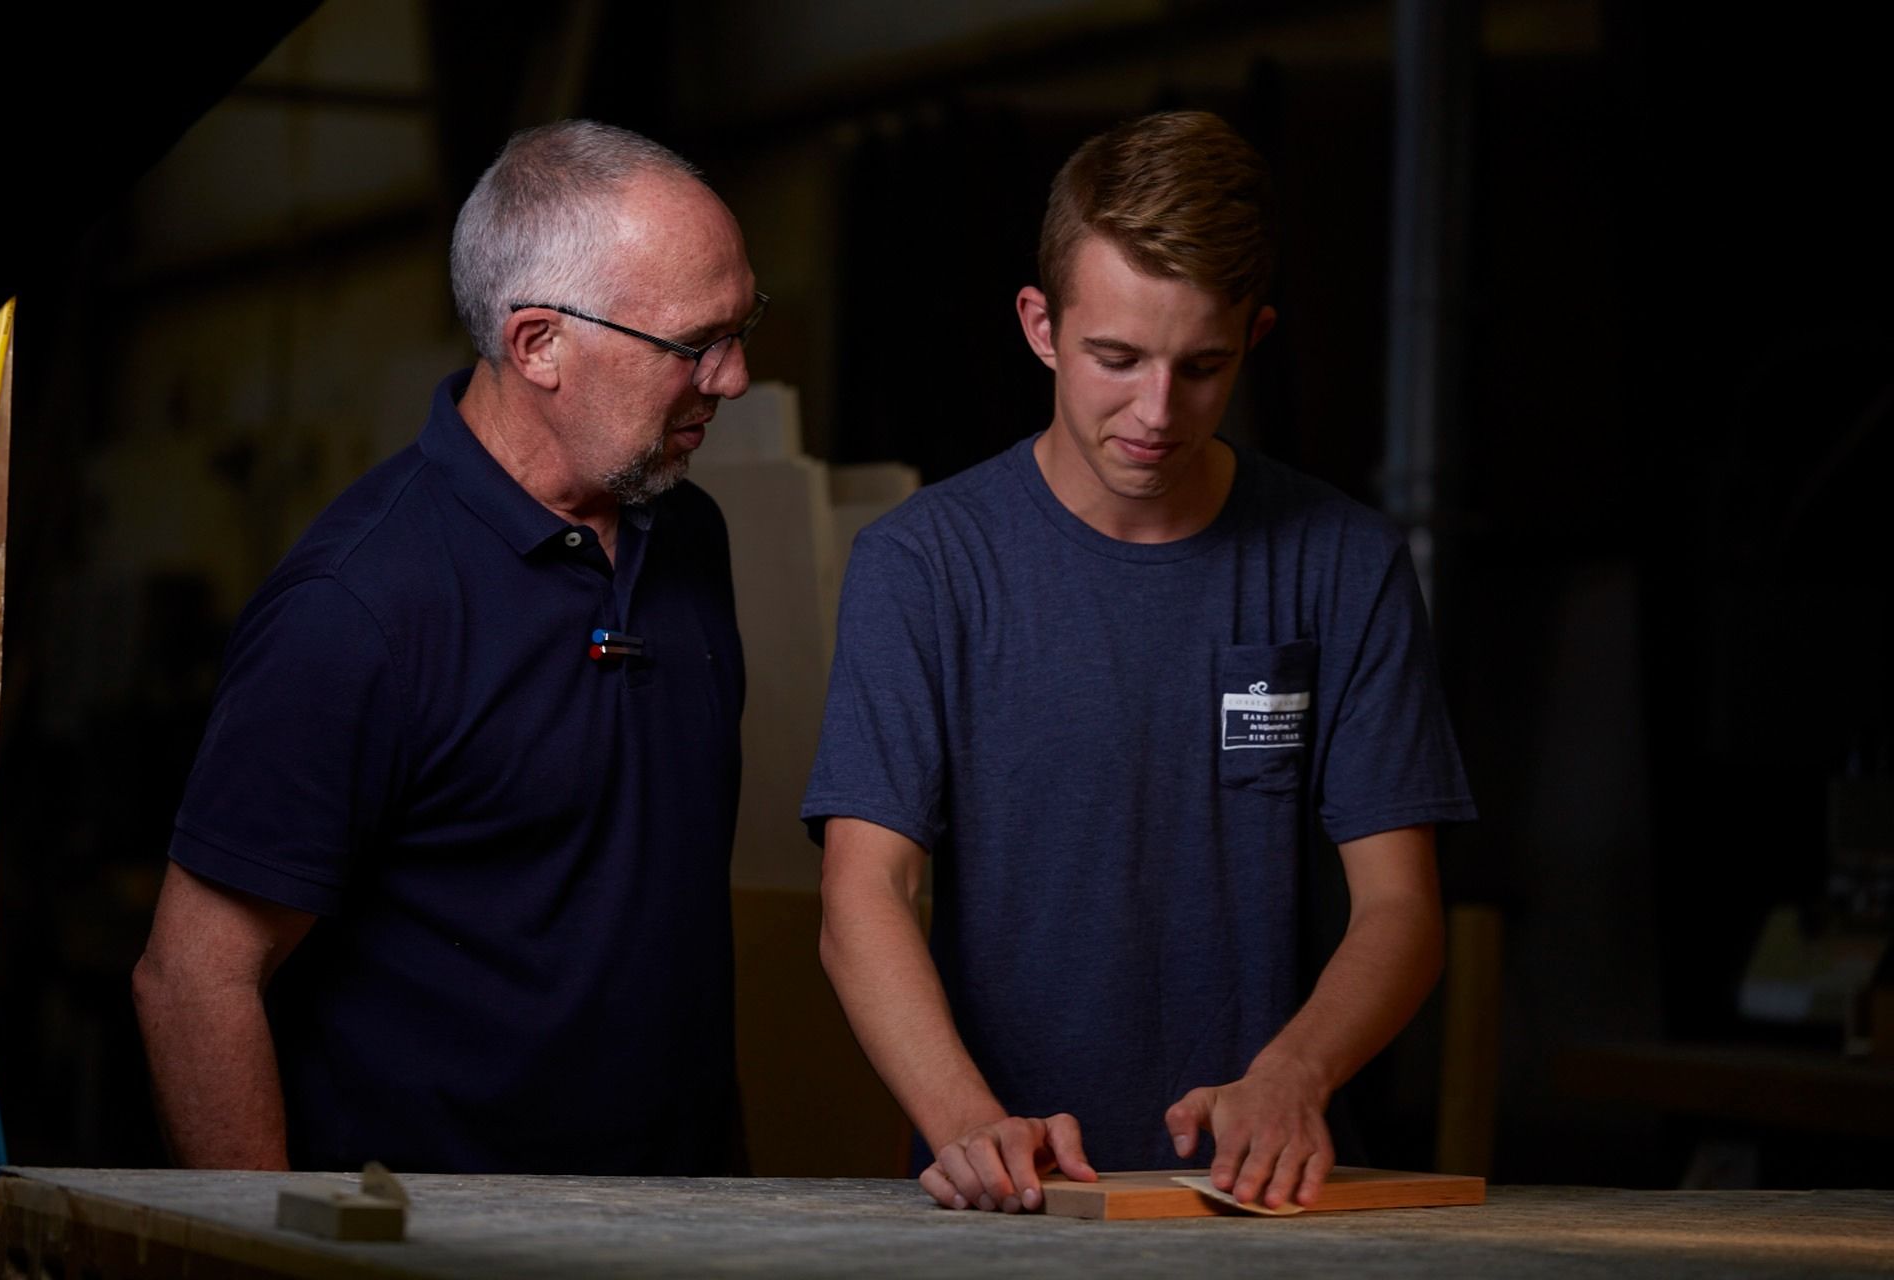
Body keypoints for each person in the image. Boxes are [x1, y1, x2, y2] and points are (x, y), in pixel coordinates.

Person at [805, 110, 1475, 1214]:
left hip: (1261, 1193)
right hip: (1008, 1195)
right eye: (1117, 359)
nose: (1157, 413)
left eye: (1201, 366)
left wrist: (1291, 1074)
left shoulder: (1342, 563)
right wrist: (964, 1117)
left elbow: (1400, 907)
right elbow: (864, 889)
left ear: (1254, 338)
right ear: (1041, 325)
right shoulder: (925, 565)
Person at [132, 120, 765, 1174]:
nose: (735, 377)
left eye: (745, 327)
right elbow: (192, 979)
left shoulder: (688, 536)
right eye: (697, 344)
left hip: (682, 1224)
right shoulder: (357, 605)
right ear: (537, 345)